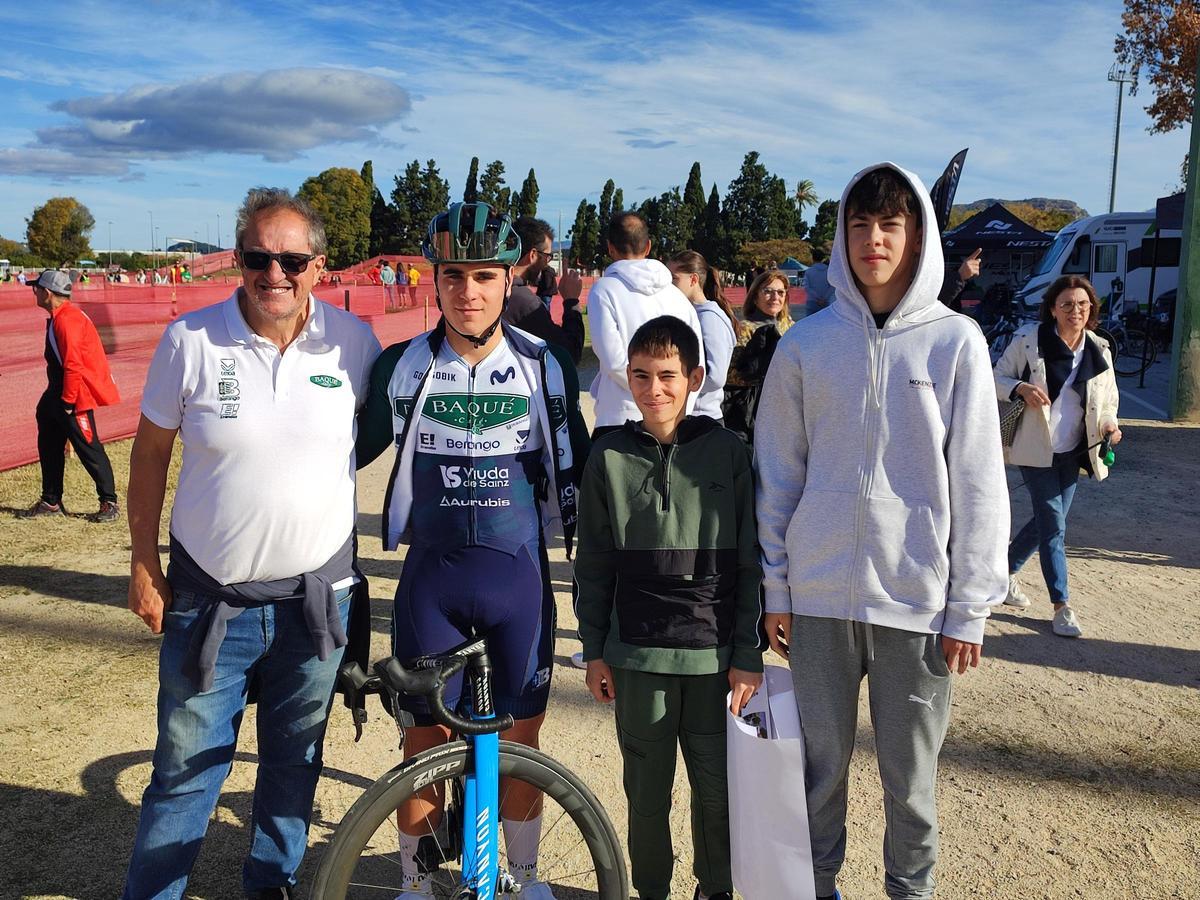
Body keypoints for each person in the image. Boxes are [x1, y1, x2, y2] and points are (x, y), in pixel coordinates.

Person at [755, 163, 1009, 900]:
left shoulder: (955, 342)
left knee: (912, 783)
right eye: (860, 224)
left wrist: (969, 606)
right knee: (816, 772)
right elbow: (779, 473)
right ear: (842, 235)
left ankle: (910, 892)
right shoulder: (806, 346)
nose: (874, 239)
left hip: (917, 604)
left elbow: (978, 479)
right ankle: (814, 889)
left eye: (891, 224)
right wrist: (778, 586)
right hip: (818, 600)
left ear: (917, 235)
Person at [121, 188, 381, 900]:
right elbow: (149, 455)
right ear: (238, 259)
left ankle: (271, 888)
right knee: (183, 776)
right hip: (210, 601)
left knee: (294, 769)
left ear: (319, 266)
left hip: (314, 606)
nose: (275, 274)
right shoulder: (191, 340)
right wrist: (142, 563)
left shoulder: (354, 345)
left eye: (291, 261)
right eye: (258, 257)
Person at [354, 201, 590, 899]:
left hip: (519, 582)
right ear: (434, 279)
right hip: (432, 586)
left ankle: (526, 879)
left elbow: (584, 467)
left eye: (484, 276)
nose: (467, 291)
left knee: (519, 744)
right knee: (423, 742)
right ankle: (417, 883)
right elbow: (336, 456)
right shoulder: (400, 365)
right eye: (453, 275)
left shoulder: (546, 364)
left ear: (509, 277)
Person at [576, 315, 762, 900]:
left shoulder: (728, 452)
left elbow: (750, 562)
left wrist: (747, 654)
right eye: (640, 376)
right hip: (638, 658)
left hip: (712, 661)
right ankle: (651, 889)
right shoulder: (608, 456)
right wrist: (595, 649)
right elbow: (594, 564)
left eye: (667, 376)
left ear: (694, 378)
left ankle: (716, 888)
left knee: (717, 794)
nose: (653, 389)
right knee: (646, 797)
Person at [993, 274, 1121, 638]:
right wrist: (1021, 387)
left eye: (1082, 304)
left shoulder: (1099, 347)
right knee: (1054, 525)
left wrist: (1110, 425)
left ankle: (1003, 573)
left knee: (1049, 520)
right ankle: (1061, 605)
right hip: (1034, 447)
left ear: (1091, 309)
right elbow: (995, 377)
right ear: (1052, 309)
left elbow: (1108, 399)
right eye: (1066, 304)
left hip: (1075, 449)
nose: (1075, 311)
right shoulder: (1028, 340)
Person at [587, 211, 703, 438]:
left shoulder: (604, 290)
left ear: (610, 248)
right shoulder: (676, 295)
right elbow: (696, 359)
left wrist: (645, 392)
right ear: (648, 246)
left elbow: (612, 360)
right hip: (673, 419)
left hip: (619, 416)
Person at [19, 270, 121, 522]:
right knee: (49, 444)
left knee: (89, 448)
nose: (34, 292)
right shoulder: (60, 316)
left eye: (36, 288)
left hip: (73, 394)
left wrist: (67, 401)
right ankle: (51, 500)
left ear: (48, 292)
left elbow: (73, 364)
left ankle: (109, 502)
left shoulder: (68, 319)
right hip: (56, 391)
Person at [721, 269, 793, 445]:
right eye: (768, 291)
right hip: (754, 409)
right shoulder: (744, 329)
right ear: (755, 296)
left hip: (788, 404)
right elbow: (730, 376)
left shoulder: (792, 327)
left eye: (780, 292)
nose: (775, 297)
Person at [668, 250, 740, 424]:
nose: (668, 286)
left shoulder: (709, 318)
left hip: (703, 418)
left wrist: (678, 386)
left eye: (674, 279)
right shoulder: (689, 312)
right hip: (689, 415)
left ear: (693, 279)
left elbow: (716, 377)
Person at [502, 215, 585, 364]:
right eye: (547, 256)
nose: (547, 263)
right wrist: (571, 301)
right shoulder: (523, 301)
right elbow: (570, 353)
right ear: (533, 255)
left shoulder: (494, 288)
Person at [803, 244, 835, 317]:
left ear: (812, 258)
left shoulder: (809, 271)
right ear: (823, 258)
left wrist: (817, 298)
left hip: (812, 301)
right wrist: (824, 298)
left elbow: (807, 287)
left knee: (810, 322)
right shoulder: (828, 271)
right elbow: (832, 286)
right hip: (826, 302)